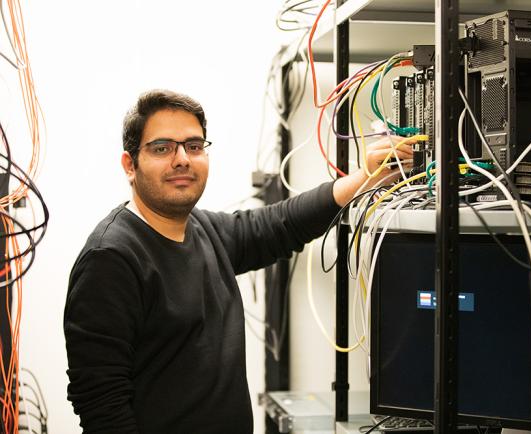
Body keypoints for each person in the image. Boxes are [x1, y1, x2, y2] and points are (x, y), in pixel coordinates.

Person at [63, 89, 413, 434]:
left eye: (194, 146)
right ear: (130, 164)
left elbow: (281, 225)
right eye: (162, 148)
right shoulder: (110, 259)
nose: (182, 158)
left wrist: (363, 179)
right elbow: (101, 403)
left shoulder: (201, 229)